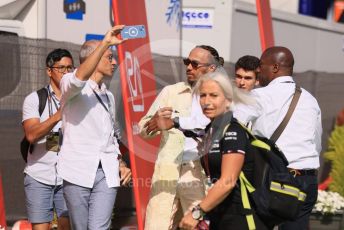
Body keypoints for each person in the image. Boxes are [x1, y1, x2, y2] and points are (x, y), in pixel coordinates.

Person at [234, 46, 322, 230]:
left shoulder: (259, 95)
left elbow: (233, 127)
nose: (258, 70)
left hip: (275, 178)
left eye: (261, 65)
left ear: (274, 67)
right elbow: (317, 143)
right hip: (308, 179)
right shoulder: (310, 99)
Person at [139, 45, 224, 229]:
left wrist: (177, 121)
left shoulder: (219, 98)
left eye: (194, 63)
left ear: (211, 68)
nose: (188, 67)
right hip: (167, 172)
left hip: (197, 174)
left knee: (197, 226)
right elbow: (143, 130)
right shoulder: (171, 92)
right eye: (187, 62)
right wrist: (153, 122)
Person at [57, 26, 131, 230]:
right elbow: (79, 78)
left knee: (99, 228)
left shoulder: (109, 95)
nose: (114, 62)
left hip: (106, 172)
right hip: (77, 170)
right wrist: (105, 42)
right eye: (109, 57)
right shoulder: (68, 84)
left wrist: (121, 163)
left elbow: (111, 137)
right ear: (94, 59)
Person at [179, 71, 270, 230]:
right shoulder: (213, 130)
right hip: (220, 216)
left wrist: (197, 213)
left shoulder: (232, 130)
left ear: (228, 100)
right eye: (203, 95)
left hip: (242, 218)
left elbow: (228, 181)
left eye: (214, 95)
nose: (206, 102)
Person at [22, 48, 74, 230]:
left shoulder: (78, 99)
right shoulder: (35, 99)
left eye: (70, 68)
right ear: (49, 71)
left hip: (69, 176)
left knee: (67, 226)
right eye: (61, 68)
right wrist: (58, 116)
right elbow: (31, 134)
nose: (66, 73)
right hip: (39, 175)